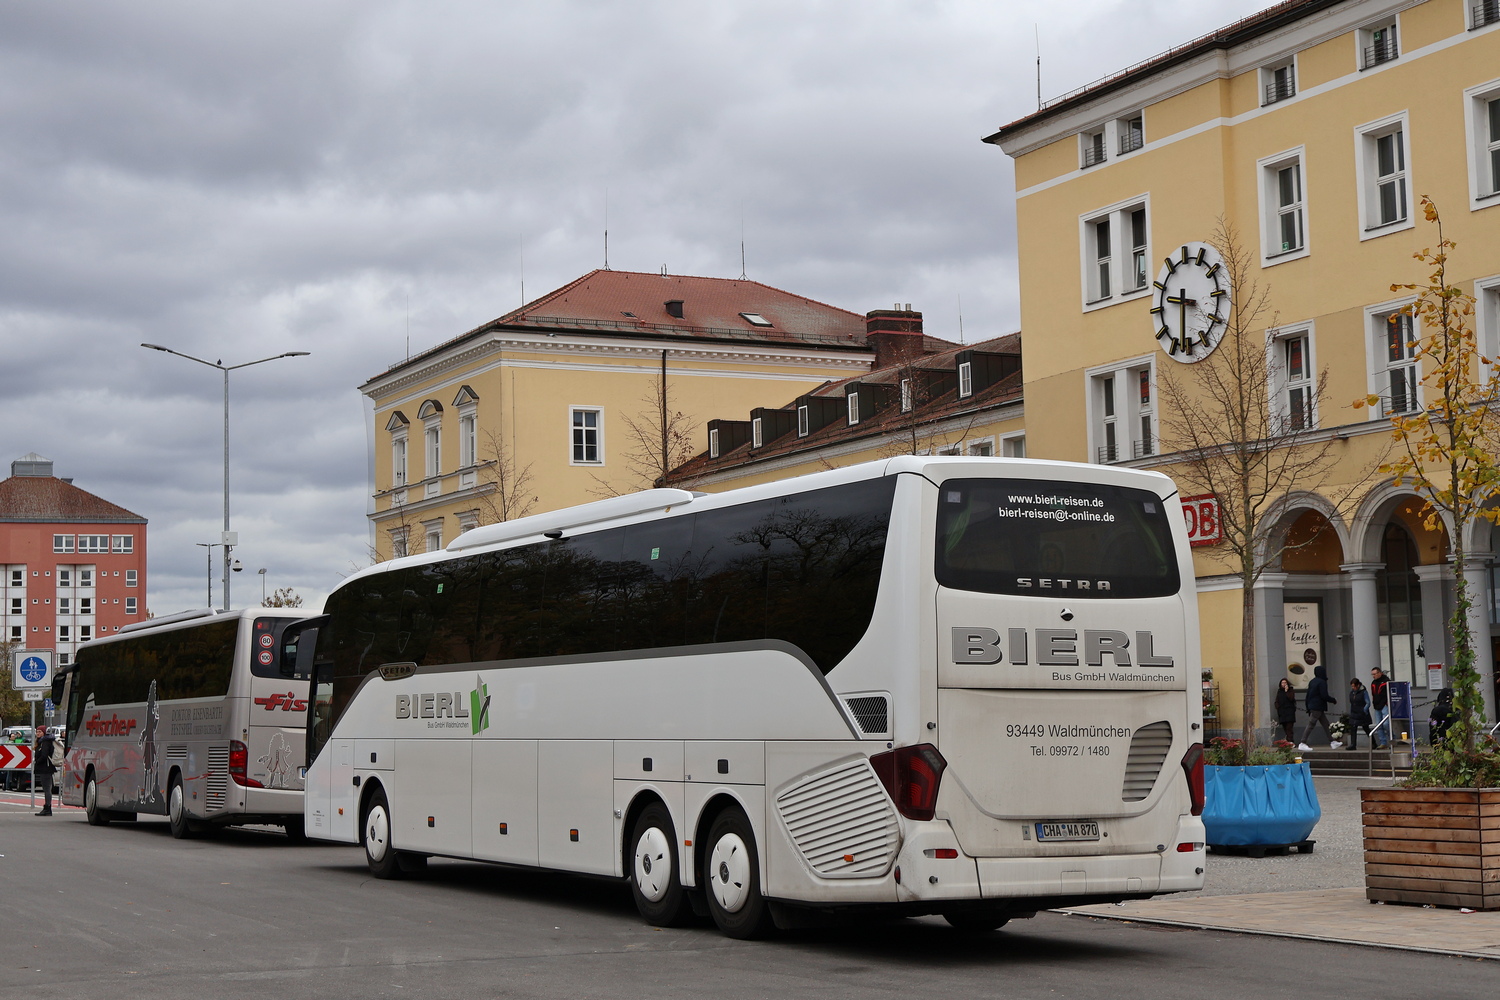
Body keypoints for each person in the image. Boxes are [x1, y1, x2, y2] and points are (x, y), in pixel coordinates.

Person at [1298, 664, 1340, 749]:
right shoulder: (1322, 682)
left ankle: (1332, 741)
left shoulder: (1312, 682)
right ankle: (1302, 742)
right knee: (1311, 724)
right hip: (1318, 706)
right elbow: (1324, 695)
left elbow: (1308, 695)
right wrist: (1333, 700)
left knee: (1325, 724)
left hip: (1313, 706)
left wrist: (1308, 707)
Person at [33, 726, 57, 816]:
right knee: (46, 788)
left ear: (44, 733)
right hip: (45, 768)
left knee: (47, 789)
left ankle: (47, 808)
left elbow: (44, 755)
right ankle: (47, 807)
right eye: (37, 732)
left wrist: (37, 761)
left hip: (46, 768)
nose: (38, 733)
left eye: (40, 732)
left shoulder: (45, 742)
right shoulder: (42, 742)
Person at [1347, 678, 1373, 750]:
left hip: (1362, 713)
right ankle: (1353, 744)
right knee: (1353, 727)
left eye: (1354, 686)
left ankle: (1373, 743)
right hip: (1354, 712)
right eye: (1352, 686)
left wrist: (1364, 710)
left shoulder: (1363, 692)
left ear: (1358, 685)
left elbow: (1368, 702)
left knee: (1365, 727)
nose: (1353, 688)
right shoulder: (1352, 692)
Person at [1369, 667, 1391, 749]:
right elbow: (1373, 694)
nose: (1373, 676)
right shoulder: (1373, 683)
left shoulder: (1386, 681)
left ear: (1379, 673)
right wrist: (1374, 703)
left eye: (1374, 674)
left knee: (1386, 724)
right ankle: (1383, 742)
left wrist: (1386, 703)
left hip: (1384, 705)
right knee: (1378, 725)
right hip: (1377, 705)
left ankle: (1392, 739)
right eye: (1372, 674)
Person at [1274, 678, 1298, 742]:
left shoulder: (1291, 690)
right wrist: (1277, 707)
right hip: (1282, 712)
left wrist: (1286, 691)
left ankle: (1290, 740)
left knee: (1289, 727)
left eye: (1285, 683)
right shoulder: (1279, 691)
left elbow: (1291, 698)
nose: (1284, 684)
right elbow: (1277, 700)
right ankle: (1288, 740)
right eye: (1282, 683)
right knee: (1285, 727)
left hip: (1289, 711)